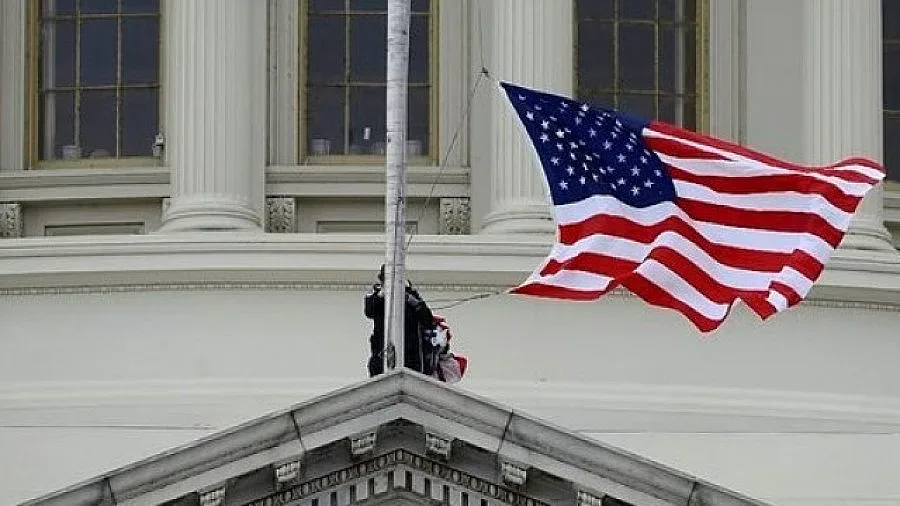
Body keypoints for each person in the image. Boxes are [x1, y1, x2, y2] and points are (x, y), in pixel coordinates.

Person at [364, 264, 434, 377]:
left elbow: (427, 318)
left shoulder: (410, 294)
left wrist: (411, 300)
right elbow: (369, 311)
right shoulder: (376, 295)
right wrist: (383, 293)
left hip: (410, 355)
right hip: (382, 354)